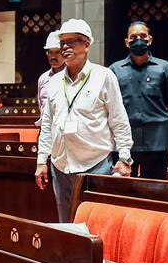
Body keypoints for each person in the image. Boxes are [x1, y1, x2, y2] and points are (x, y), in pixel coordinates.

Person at [35, 19, 133, 222]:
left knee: (94, 226)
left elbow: (119, 119)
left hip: (95, 164)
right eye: (63, 42)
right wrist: (41, 161)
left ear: (87, 44)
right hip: (60, 166)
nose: (65, 47)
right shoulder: (53, 82)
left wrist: (124, 158)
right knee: (67, 226)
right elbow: (47, 125)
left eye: (72, 42)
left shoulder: (104, 76)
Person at [109, 22, 168, 179]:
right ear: (126, 42)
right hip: (124, 145)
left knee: (153, 196)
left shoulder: (165, 68)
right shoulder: (114, 71)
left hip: (157, 144)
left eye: (143, 36)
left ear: (150, 40)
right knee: (123, 195)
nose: (138, 40)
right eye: (133, 37)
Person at [36, 30, 65, 126]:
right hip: (46, 129)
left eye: (57, 52)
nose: (53, 57)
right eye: (50, 52)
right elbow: (41, 106)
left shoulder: (72, 76)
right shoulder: (43, 79)